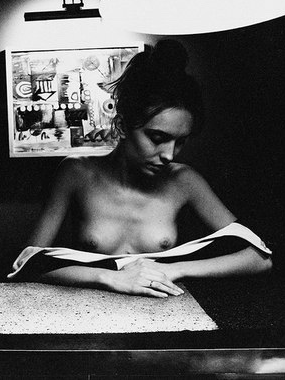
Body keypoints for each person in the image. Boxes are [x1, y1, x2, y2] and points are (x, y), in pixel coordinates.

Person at [16, 40, 272, 298]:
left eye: (180, 142)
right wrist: (109, 277)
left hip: (165, 309)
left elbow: (258, 258)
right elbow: (27, 263)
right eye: (158, 138)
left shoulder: (184, 180)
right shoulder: (77, 173)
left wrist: (173, 270)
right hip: (91, 309)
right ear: (123, 126)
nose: (169, 155)